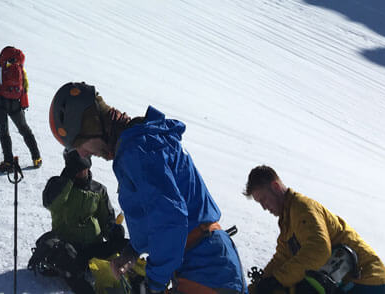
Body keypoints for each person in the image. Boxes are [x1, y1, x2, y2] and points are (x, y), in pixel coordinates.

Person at [49, 83, 247, 294]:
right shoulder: (142, 140)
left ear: (91, 124)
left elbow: (170, 219)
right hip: (207, 260)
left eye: (79, 142)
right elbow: (156, 211)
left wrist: (153, 284)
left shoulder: (138, 150)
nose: (82, 154)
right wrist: (133, 250)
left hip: (205, 268)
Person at [243, 166, 385, 294]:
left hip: (366, 281)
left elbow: (318, 250)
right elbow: (282, 258)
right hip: (351, 282)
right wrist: (257, 287)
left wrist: (277, 280)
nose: (264, 207)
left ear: (275, 186)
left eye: (264, 199)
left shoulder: (302, 208)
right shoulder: (287, 220)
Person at [34, 148, 144, 294]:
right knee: (67, 260)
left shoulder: (98, 190)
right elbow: (51, 202)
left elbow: (107, 220)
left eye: (83, 168)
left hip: (93, 247)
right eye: (76, 168)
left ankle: (143, 282)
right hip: (68, 248)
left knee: (127, 247)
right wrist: (68, 177)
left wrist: (113, 231)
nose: (80, 172)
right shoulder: (57, 185)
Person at [0, 46, 41, 171]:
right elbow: (25, 84)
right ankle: (36, 157)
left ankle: (8, 162)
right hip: (15, 102)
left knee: (4, 132)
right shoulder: (19, 67)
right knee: (24, 129)